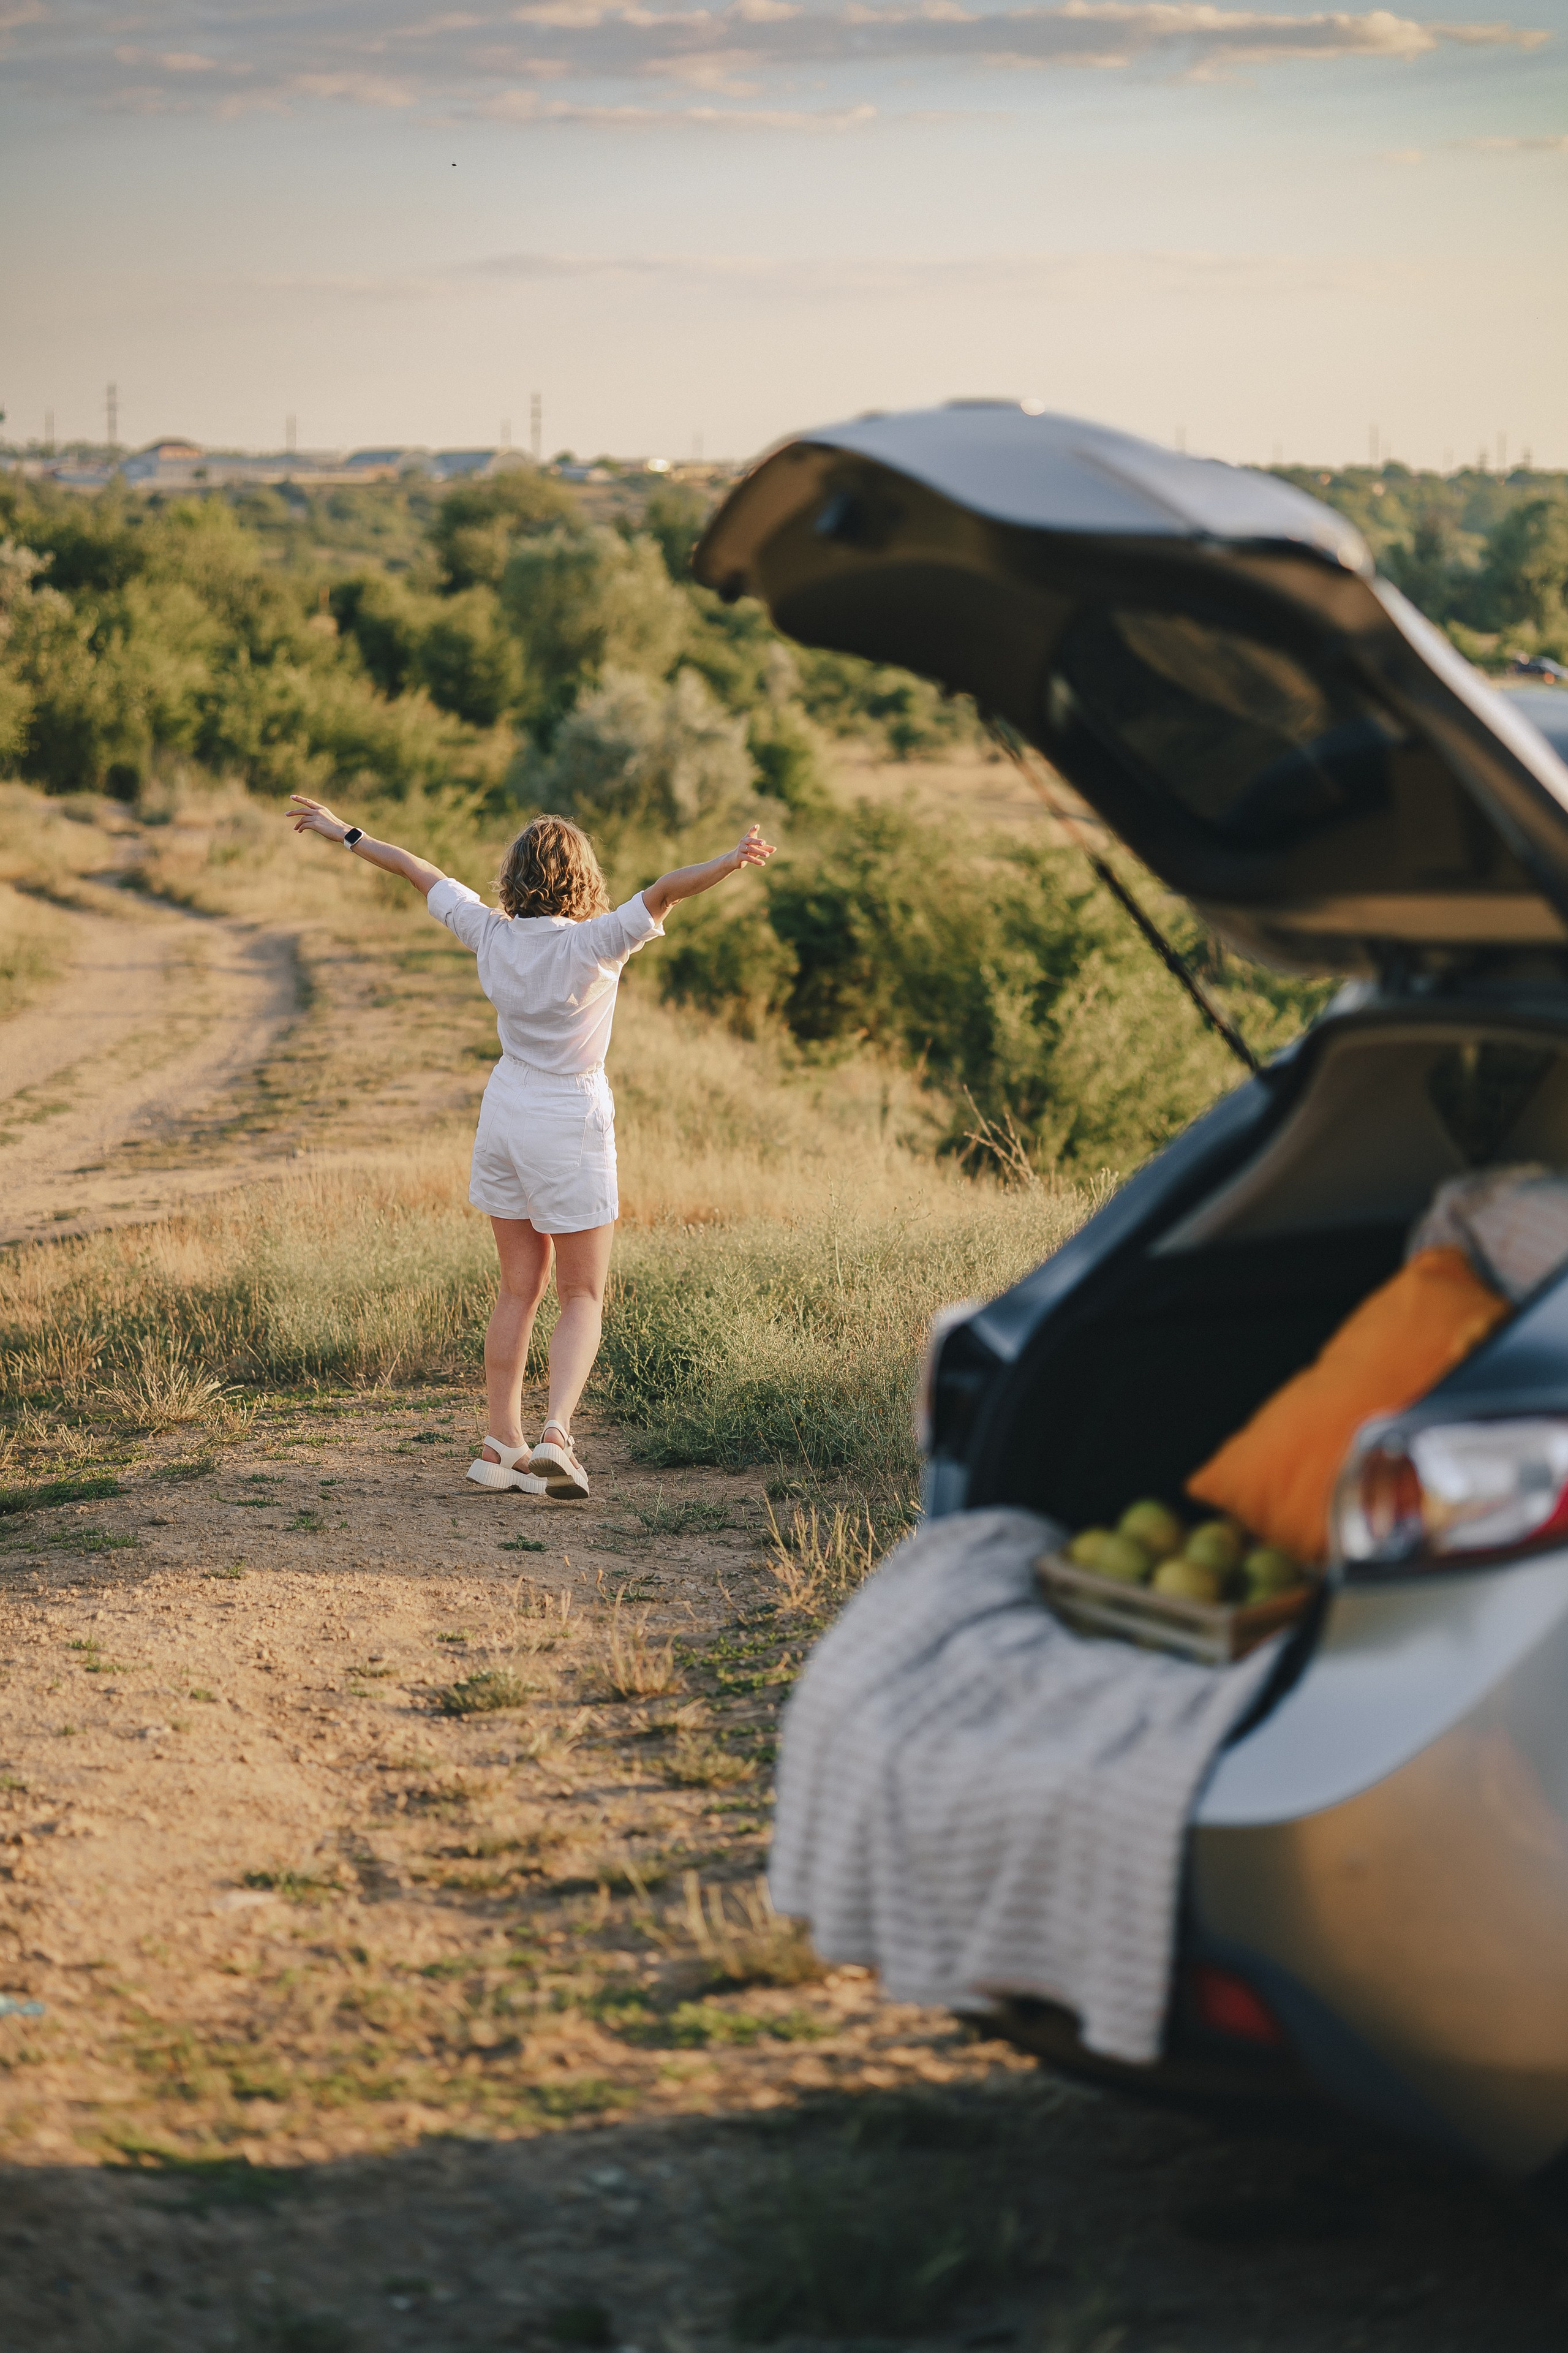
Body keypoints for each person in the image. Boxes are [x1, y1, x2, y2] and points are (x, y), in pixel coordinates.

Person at [289, 796, 775, 1500]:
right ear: (583, 879)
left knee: (519, 1287)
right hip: (567, 1114)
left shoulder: (490, 932)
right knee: (582, 1292)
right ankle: (555, 1436)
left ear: (514, 877)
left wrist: (346, 832)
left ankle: (500, 1442)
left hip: (506, 1109)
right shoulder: (597, 940)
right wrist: (729, 863)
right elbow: (668, 888)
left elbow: (415, 870)